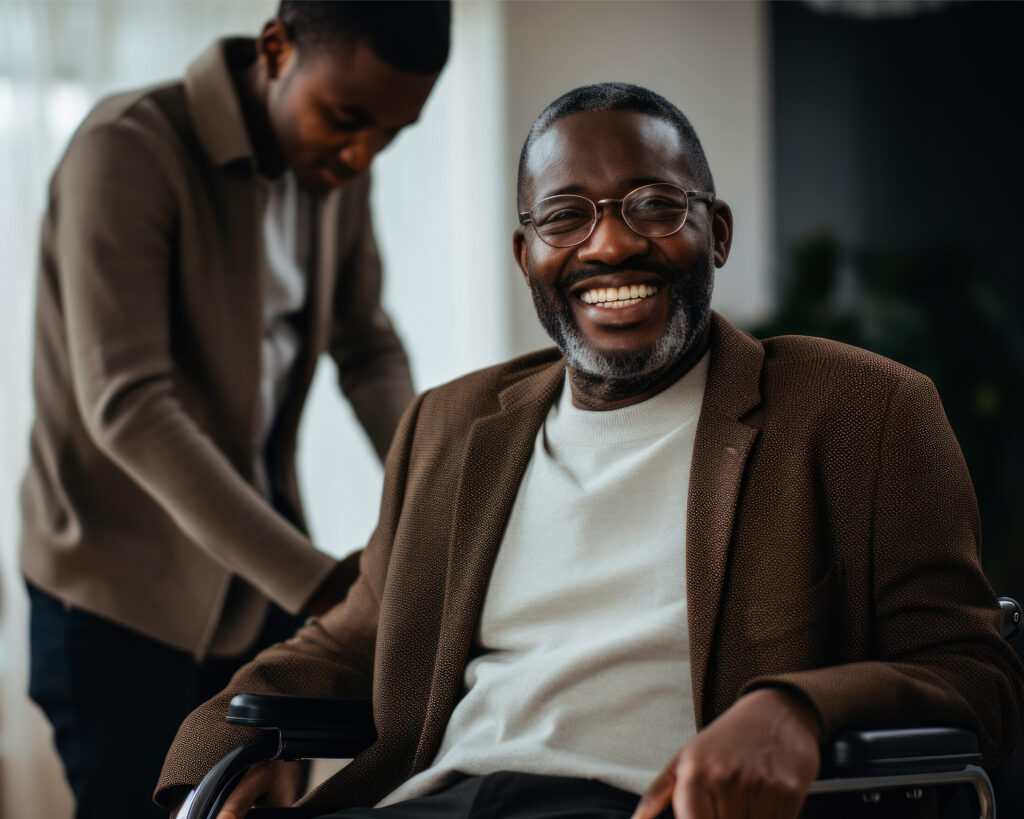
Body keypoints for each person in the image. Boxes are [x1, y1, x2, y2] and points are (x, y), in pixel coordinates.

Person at [156, 83, 1023, 819]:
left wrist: (792, 709)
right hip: (429, 799)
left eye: (655, 205)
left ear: (715, 231)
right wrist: (226, 742)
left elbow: (974, 674)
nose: (610, 244)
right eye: (567, 217)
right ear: (525, 253)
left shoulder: (859, 410)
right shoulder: (451, 427)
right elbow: (348, 644)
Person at [20, 3, 449, 817]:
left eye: (393, 132)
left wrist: (448, 493)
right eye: (347, 119)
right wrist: (327, 586)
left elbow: (366, 349)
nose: (363, 154)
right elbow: (130, 405)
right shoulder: (127, 150)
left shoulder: (340, 172)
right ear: (276, 49)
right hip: (115, 601)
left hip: (251, 593)